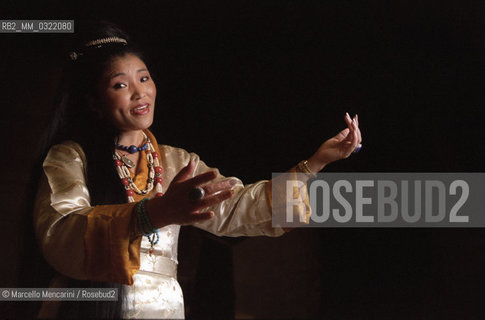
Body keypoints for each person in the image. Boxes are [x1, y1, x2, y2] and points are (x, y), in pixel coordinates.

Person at [33, 21, 362, 319]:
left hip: (162, 309)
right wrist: (153, 214)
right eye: (120, 85)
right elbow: (60, 236)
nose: (140, 92)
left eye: (144, 78)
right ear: (93, 101)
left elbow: (238, 207)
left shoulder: (177, 162)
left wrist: (316, 163)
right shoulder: (71, 158)